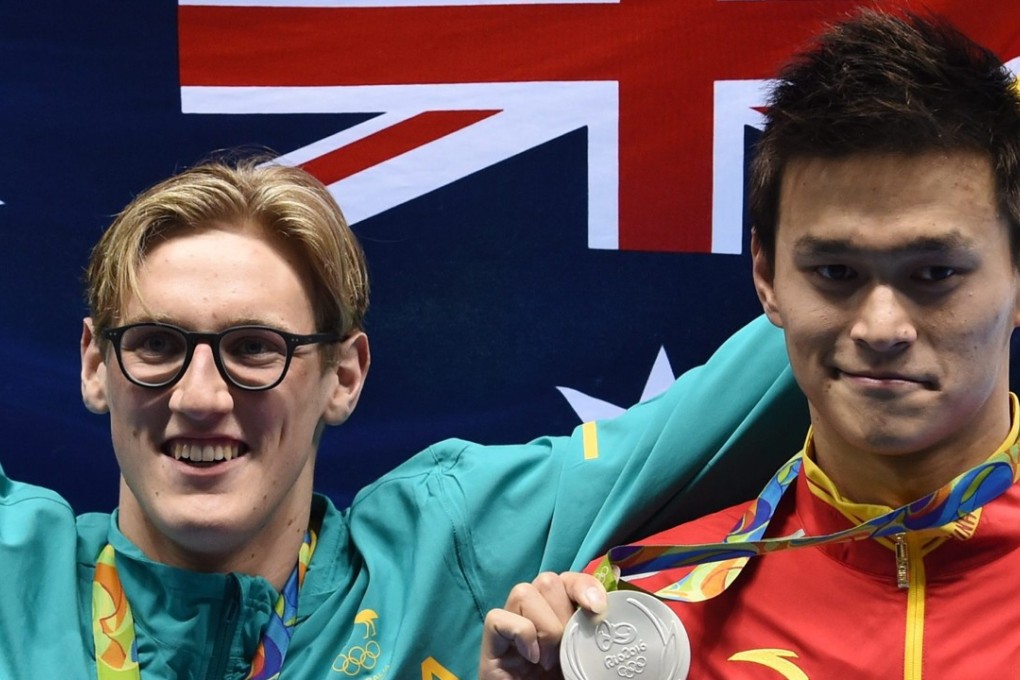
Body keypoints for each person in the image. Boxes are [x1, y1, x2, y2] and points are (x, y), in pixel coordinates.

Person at [0, 157, 807, 678]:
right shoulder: (13, 572)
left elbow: (808, 357)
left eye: (254, 349)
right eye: (156, 344)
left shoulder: (453, 549)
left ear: (343, 376)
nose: (201, 396)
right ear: (94, 365)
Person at [480, 9, 1020, 679]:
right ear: (766, 277)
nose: (881, 327)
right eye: (836, 273)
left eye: (934, 274)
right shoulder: (630, 626)